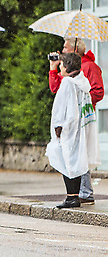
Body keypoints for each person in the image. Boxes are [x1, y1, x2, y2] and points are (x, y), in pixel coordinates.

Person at [48, 37, 104, 205]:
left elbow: (97, 92)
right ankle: (78, 194)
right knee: (78, 156)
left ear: (74, 51)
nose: (62, 51)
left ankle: (79, 194)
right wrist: (53, 70)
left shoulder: (86, 70)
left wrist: (78, 109)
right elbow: (55, 88)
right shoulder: (77, 79)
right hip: (78, 121)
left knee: (72, 157)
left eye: (65, 48)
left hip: (74, 123)